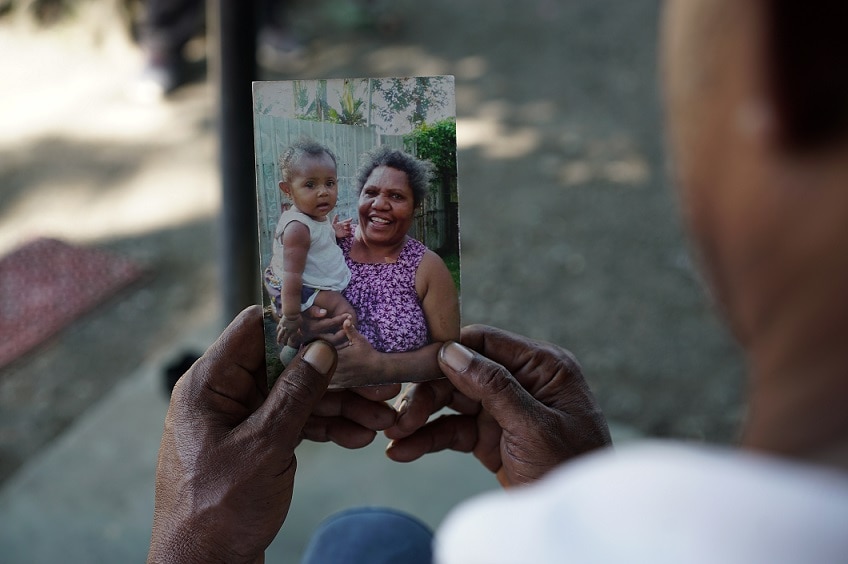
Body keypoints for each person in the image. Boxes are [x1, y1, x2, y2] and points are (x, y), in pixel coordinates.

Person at [148, 1, 848, 562]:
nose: (375, 207)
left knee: (361, 540)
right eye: (368, 196)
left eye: (393, 198)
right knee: (363, 536)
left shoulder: (423, 268)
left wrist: (195, 548)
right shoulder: (338, 246)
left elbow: (434, 353)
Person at [305, 146, 461, 388]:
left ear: (415, 207)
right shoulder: (329, 246)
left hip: (399, 408)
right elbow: (281, 285)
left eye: (396, 196)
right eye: (371, 192)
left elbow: (451, 354)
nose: (380, 204)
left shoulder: (428, 267)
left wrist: (381, 366)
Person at [262, 140, 356, 370]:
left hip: (306, 282)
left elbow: (317, 238)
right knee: (346, 313)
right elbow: (293, 276)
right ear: (288, 190)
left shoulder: (313, 217)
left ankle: (295, 348)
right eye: (311, 184)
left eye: (330, 183)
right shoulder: (297, 228)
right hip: (302, 286)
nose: (323, 192)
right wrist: (292, 317)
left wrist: (333, 232)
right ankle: (340, 357)